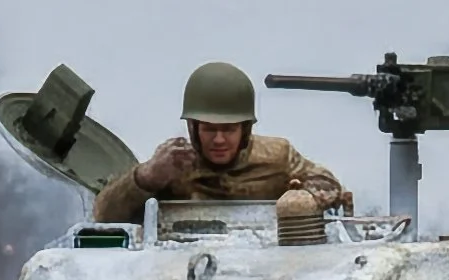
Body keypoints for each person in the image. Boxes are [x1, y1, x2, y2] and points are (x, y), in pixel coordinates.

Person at [91, 61, 354, 224]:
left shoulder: (278, 156)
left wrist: (304, 197)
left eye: (228, 129)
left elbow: (329, 184)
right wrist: (145, 178)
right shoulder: (171, 165)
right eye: (209, 129)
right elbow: (104, 215)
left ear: (245, 129)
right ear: (193, 129)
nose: (219, 140)